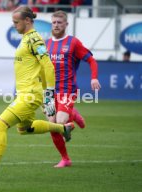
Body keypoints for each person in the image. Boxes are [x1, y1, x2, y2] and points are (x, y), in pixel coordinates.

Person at [0, 6, 74, 180]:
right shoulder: (26, 38)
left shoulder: (34, 39)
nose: (14, 25)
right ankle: (62, 128)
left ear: (27, 20)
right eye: (13, 22)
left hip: (30, 94)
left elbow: (48, 65)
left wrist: (48, 95)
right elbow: (40, 67)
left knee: (0, 124)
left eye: (16, 22)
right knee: (25, 129)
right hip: (26, 93)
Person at [45, 10, 101, 168]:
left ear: (66, 24)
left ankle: (70, 117)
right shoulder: (46, 44)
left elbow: (91, 60)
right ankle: (65, 159)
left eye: (59, 23)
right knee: (52, 127)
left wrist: (94, 77)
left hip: (67, 89)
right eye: (54, 22)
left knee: (61, 122)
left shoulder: (73, 43)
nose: (56, 25)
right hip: (50, 91)